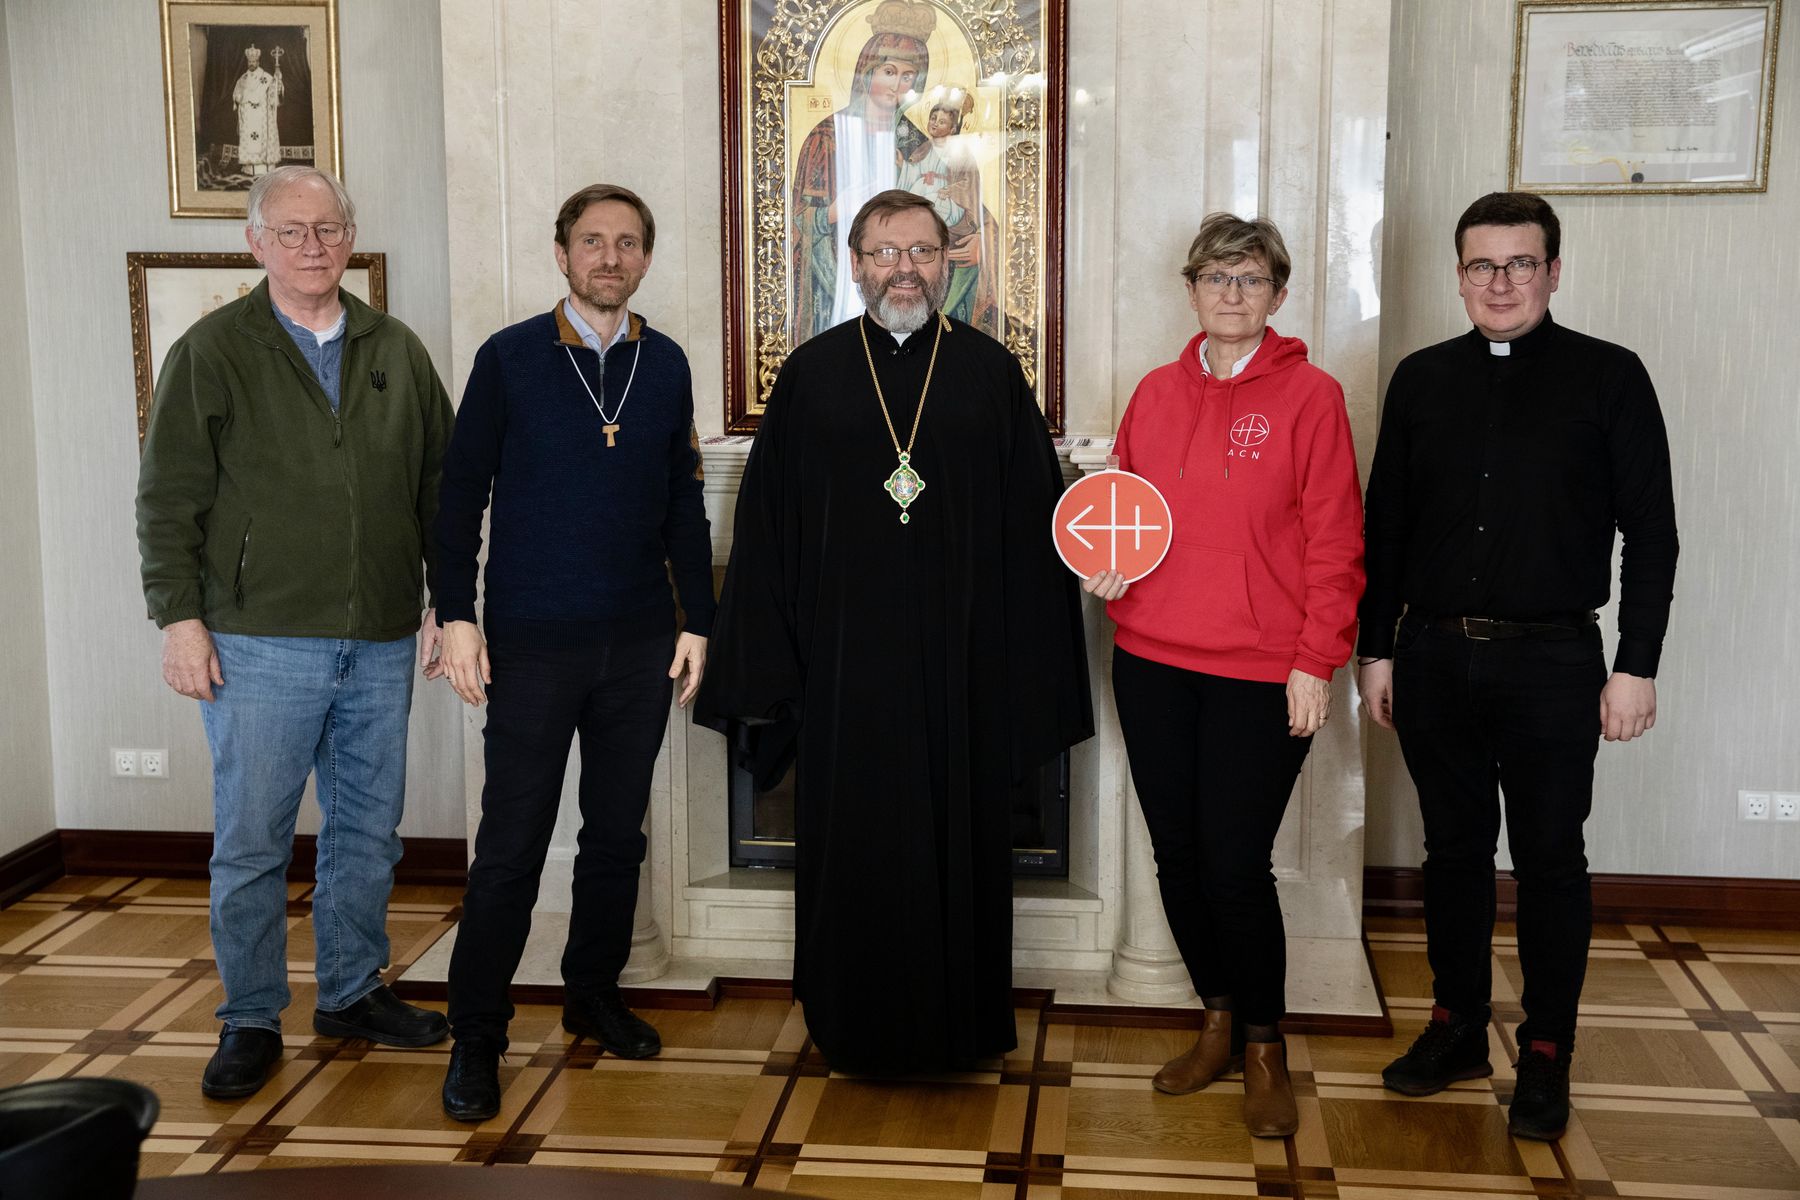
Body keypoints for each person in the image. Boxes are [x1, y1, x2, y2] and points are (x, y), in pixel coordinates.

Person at [697, 189, 1092, 1074]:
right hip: (844, 672)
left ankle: (958, 1028)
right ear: (855, 262)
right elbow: (766, 534)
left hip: (963, 670)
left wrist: (1027, 669)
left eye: (921, 251)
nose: (903, 268)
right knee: (854, 845)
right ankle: (852, 1025)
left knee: (959, 838)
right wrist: (774, 664)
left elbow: (1035, 532)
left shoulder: (992, 374)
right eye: (885, 252)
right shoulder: (812, 372)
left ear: (948, 262)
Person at [1357, 191, 1678, 1141]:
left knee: (1548, 861)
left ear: (1553, 270)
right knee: (1451, 855)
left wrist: (1637, 665)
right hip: (1431, 654)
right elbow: (1387, 527)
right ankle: (1456, 1027)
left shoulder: (1610, 377)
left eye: (1519, 264)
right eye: (1480, 266)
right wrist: (1375, 648)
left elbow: (1652, 536)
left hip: (1555, 662)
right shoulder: (1419, 379)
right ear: (1458, 275)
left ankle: (1546, 1052)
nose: (1499, 283)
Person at [136, 165, 454, 1099]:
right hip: (260, 640)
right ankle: (248, 1017)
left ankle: (352, 991)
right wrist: (179, 620)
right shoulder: (212, 351)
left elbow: (442, 488)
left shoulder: (396, 347)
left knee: (367, 831)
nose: (313, 247)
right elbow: (167, 502)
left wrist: (449, 602)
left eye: (328, 230)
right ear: (256, 244)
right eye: (292, 231)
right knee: (253, 840)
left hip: (386, 636)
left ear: (350, 238)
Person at [433, 183, 714, 1122]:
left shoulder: (665, 363)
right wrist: (456, 615)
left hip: (637, 642)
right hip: (533, 643)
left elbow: (683, 498)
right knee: (509, 846)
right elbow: (459, 494)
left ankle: (591, 995)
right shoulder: (510, 358)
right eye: (591, 241)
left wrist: (697, 620)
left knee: (614, 836)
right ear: (561, 254)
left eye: (627, 243)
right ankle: (478, 1032)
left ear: (645, 258)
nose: (609, 257)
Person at [1083, 213, 1364, 1138]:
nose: (1231, 294)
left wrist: (1315, 659)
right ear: (1193, 291)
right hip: (1152, 659)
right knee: (1178, 857)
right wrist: (1106, 566)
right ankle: (1214, 1019)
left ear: (1278, 295)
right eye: (1215, 278)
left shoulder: (1313, 397)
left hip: (1260, 670)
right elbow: (1123, 506)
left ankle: (1264, 1046)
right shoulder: (1155, 394)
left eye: (1249, 279)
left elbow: (1336, 542)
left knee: (1236, 866)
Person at [790, 0, 936, 341]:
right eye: (888, 72)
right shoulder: (827, 138)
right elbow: (793, 223)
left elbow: (951, 207)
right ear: (868, 71)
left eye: (907, 76)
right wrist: (832, 213)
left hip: (907, 292)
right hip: (838, 289)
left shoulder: (918, 144)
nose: (897, 84)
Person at [897, 88, 998, 335]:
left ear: (953, 129)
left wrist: (950, 190)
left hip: (951, 210)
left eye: (942, 121)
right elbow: (912, 175)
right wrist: (903, 166)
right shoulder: (922, 150)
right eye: (933, 118)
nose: (935, 124)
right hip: (925, 204)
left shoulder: (962, 154)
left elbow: (969, 186)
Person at [231, 45, 283, 177]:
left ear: (258, 62)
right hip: (248, 118)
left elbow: (274, 96)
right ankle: (250, 168)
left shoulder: (266, 77)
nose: (251, 64)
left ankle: (266, 168)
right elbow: (236, 95)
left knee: (262, 140)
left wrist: (278, 85)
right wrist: (240, 98)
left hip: (262, 117)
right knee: (249, 141)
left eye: (254, 61)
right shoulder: (242, 79)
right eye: (250, 61)